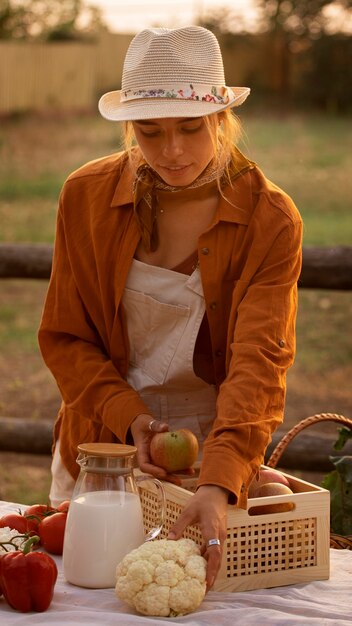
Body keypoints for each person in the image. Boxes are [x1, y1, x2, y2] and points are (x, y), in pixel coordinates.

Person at [38, 26, 302, 589]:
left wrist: (217, 480)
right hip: (103, 453)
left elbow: (261, 361)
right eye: (150, 132)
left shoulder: (269, 220)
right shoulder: (84, 197)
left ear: (221, 120)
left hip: (213, 449)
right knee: (88, 600)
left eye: (190, 128)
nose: (172, 151)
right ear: (130, 127)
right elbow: (66, 337)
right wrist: (130, 418)